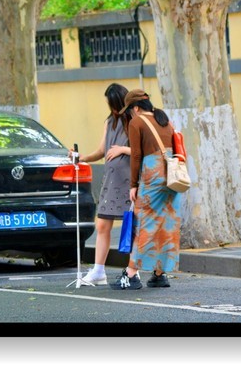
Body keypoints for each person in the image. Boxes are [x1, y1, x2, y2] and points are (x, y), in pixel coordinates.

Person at [114, 88, 180, 290]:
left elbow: (136, 156)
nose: (130, 115)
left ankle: (131, 274)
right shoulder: (164, 120)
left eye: (129, 110)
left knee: (145, 223)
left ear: (135, 108)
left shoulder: (137, 122)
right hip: (172, 174)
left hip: (152, 175)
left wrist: (133, 184)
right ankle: (160, 274)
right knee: (165, 223)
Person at [72, 83, 132, 286]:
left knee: (130, 225)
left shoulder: (135, 121)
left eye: (113, 104)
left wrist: (123, 149)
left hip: (130, 181)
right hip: (111, 180)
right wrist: (82, 158)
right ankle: (99, 271)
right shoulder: (110, 121)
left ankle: (133, 271)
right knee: (103, 224)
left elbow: (144, 150)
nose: (112, 109)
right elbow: (101, 150)